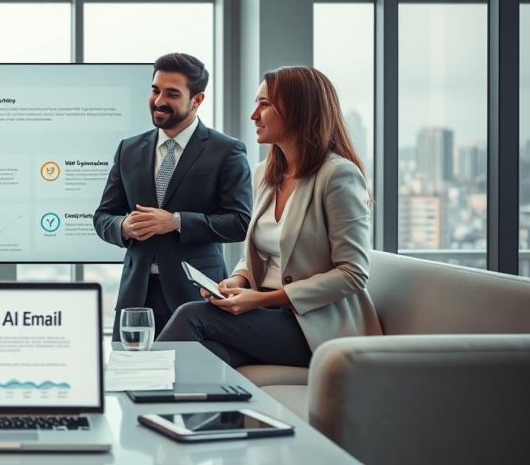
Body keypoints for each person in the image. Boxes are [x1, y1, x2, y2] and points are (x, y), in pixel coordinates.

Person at [157, 66, 382, 368]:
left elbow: (353, 274)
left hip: (315, 329)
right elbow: (260, 253)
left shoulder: (337, 175)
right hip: (268, 320)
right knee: (210, 358)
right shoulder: (265, 173)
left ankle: (137, 391)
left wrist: (262, 299)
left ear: (299, 111)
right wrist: (238, 280)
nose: (254, 115)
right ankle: (201, 416)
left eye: (264, 105)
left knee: (191, 315)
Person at [94, 53, 252, 339]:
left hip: (195, 297)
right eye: (155, 90)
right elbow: (103, 216)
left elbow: (240, 222)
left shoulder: (226, 151)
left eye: (172, 94)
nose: (158, 100)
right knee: (130, 377)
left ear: (197, 100)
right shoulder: (128, 149)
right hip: (135, 295)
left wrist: (177, 222)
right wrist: (123, 227)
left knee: (197, 380)